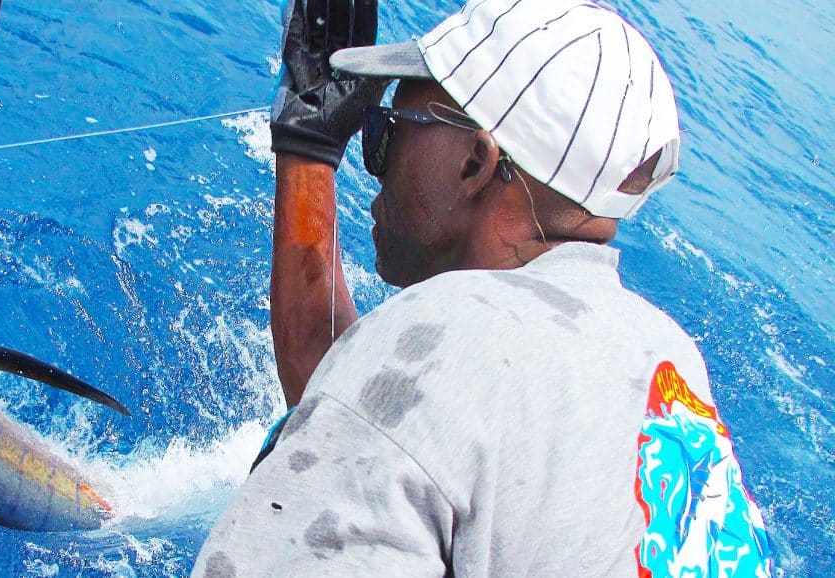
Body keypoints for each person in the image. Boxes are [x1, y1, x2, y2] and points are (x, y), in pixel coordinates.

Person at [193, 0, 774, 575]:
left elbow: (399, 415)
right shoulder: (662, 353)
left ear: (476, 162)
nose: (377, 161)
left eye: (387, 133)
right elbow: (384, 418)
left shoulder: (453, 347)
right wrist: (309, 151)